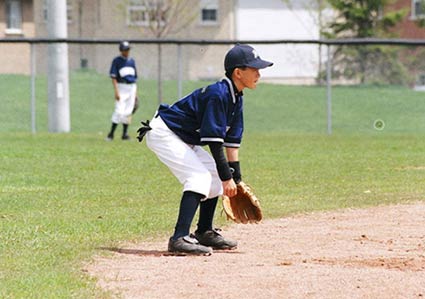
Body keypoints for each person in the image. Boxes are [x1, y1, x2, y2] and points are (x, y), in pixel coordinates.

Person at [141, 44, 273, 255]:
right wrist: (226, 178)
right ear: (238, 73)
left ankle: (204, 231)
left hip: (182, 137)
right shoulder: (218, 95)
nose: (259, 73)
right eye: (254, 69)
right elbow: (214, 142)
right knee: (199, 177)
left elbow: (231, 142)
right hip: (164, 133)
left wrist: (235, 179)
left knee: (214, 173)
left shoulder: (236, 97)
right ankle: (178, 238)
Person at [106, 41, 138, 141]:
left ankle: (125, 134)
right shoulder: (117, 61)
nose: (127, 51)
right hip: (121, 87)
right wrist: (116, 91)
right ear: (121, 50)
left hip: (132, 87)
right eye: (125, 49)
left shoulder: (132, 61)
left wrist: (135, 94)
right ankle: (110, 134)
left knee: (128, 111)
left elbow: (135, 78)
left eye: (128, 49)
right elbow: (114, 77)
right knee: (119, 111)